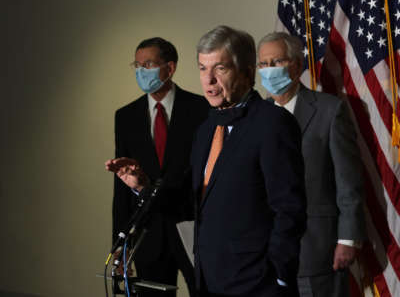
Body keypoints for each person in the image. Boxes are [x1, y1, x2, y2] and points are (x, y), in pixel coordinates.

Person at [107, 26, 307, 297]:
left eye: (220, 68)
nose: (209, 80)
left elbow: (289, 209)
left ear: (247, 72)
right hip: (209, 280)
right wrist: (143, 185)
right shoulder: (206, 130)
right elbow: (192, 203)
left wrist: (279, 276)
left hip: (258, 283)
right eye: (202, 68)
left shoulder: (273, 123)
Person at [257, 32, 366, 297]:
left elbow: (348, 180)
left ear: (296, 65)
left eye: (277, 62)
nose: (269, 71)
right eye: (263, 64)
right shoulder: (256, 116)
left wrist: (348, 238)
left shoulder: (329, 110)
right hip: (267, 253)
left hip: (317, 250)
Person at [111, 37, 209, 297]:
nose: (142, 71)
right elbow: (121, 187)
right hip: (148, 233)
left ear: (170, 67)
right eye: (137, 65)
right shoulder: (126, 116)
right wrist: (120, 244)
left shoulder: (201, 109)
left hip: (193, 229)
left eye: (149, 64)